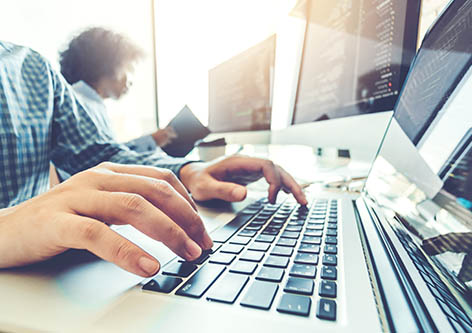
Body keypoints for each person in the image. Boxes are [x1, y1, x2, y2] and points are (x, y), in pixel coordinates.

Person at [0, 40, 307, 278]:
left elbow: (98, 154)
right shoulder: (83, 95)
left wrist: (188, 172)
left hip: (40, 279)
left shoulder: (32, 69)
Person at [59, 27, 177, 152]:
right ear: (108, 64)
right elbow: (103, 159)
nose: (130, 80)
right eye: (129, 69)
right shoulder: (80, 105)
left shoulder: (88, 103)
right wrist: (151, 141)